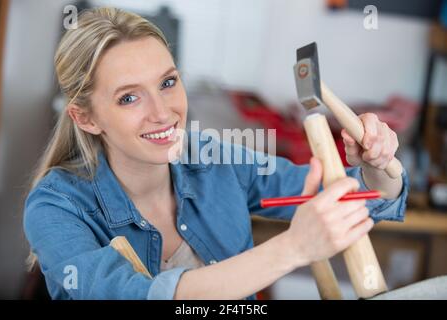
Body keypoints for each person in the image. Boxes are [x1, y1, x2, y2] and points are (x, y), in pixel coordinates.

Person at [23, 7, 408, 300]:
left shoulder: (216, 162)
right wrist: (292, 249)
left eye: (168, 82)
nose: (162, 112)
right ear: (86, 118)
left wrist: (378, 168)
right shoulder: (55, 208)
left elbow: (363, 198)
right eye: (129, 97)